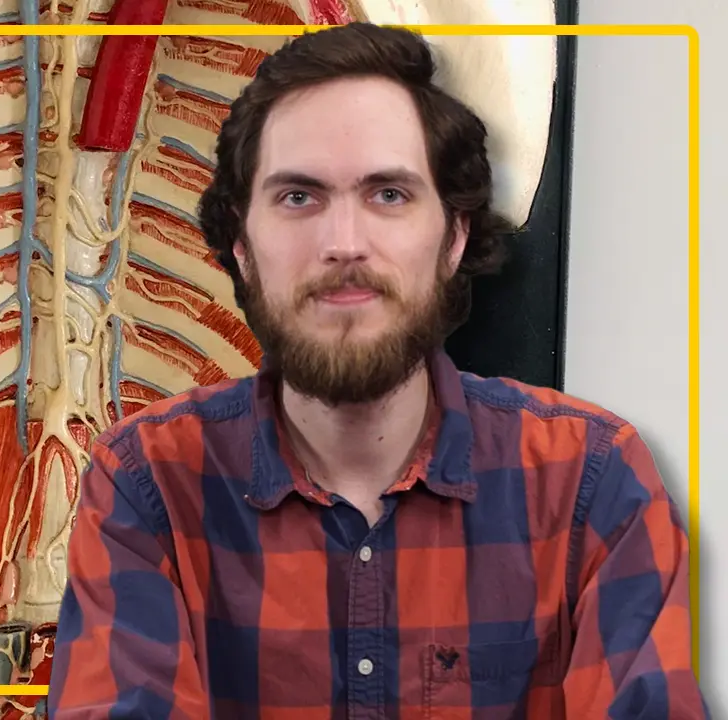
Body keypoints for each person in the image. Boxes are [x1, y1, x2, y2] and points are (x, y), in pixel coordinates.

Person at [46, 22, 706, 719]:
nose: (344, 244)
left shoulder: (591, 484)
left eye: (388, 194)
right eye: (299, 197)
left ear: (453, 238)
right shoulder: (149, 483)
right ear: (242, 245)